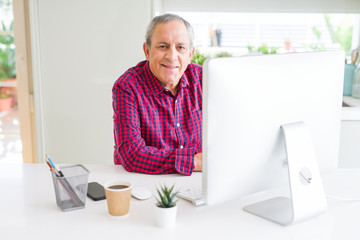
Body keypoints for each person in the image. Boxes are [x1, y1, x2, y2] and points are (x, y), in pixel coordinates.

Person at [112, 14, 202, 175]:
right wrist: (192, 161)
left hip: (196, 182)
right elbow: (132, 154)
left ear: (190, 54)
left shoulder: (203, 79)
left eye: (180, 47)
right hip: (144, 182)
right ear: (147, 51)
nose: (172, 56)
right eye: (163, 46)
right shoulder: (128, 86)